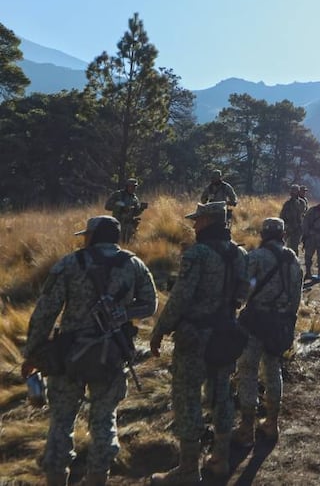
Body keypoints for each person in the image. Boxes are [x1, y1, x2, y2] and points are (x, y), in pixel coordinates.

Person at [20, 216, 157, 486]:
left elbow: (45, 312)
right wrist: (123, 313)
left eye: (86, 235)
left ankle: (57, 478)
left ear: (93, 236)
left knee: (61, 423)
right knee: (105, 421)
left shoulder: (71, 263)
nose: (83, 239)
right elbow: (150, 305)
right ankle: (98, 478)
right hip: (113, 353)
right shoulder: (134, 264)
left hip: (68, 355)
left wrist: (33, 354)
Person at [149, 201, 249, 484]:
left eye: (198, 220)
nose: (194, 225)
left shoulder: (197, 254)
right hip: (225, 334)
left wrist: (159, 330)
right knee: (222, 395)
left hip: (195, 338)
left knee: (187, 397)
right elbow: (244, 289)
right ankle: (220, 459)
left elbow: (180, 297)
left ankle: (188, 470)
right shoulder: (240, 254)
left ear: (208, 221)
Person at [234, 218, 303, 447]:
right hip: (279, 323)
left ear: (263, 234)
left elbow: (243, 289)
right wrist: (288, 323)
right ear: (283, 234)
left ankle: (246, 429)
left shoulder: (255, 257)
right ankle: (272, 423)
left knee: (248, 370)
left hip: (255, 321)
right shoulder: (293, 259)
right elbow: (296, 297)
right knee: (273, 369)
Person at [104, 178, 146, 244]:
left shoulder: (134, 198)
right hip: (118, 224)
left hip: (129, 227)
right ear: (127, 186)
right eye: (131, 186)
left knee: (129, 245)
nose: (133, 188)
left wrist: (141, 208)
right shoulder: (118, 195)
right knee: (118, 244)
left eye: (135, 187)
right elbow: (107, 206)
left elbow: (135, 213)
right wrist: (121, 208)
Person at [279, 185, 307, 254]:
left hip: (297, 228)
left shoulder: (302, 202)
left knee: (294, 247)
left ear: (298, 192)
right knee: (282, 245)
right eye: (292, 191)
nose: (293, 193)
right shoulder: (287, 203)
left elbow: (302, 212)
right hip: (288, 227)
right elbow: (282, 215)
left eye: (295, 191)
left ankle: (293, 261)